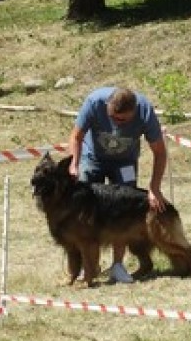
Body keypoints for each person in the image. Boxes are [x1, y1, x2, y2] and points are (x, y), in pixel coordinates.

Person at [68, 86, 168, 284]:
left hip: (125, 164)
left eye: (123, 120)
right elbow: (76, 136)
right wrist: (74, 164)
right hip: (92, 160)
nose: (116, 123)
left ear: (134, 111)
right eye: (113, 117)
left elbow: (159, 151)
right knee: (83, 216)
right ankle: (85, 267)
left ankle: (117, 266)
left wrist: (154, 187)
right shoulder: (94, 102)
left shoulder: (145, 111)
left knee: (122, 215)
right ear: (107, 106)